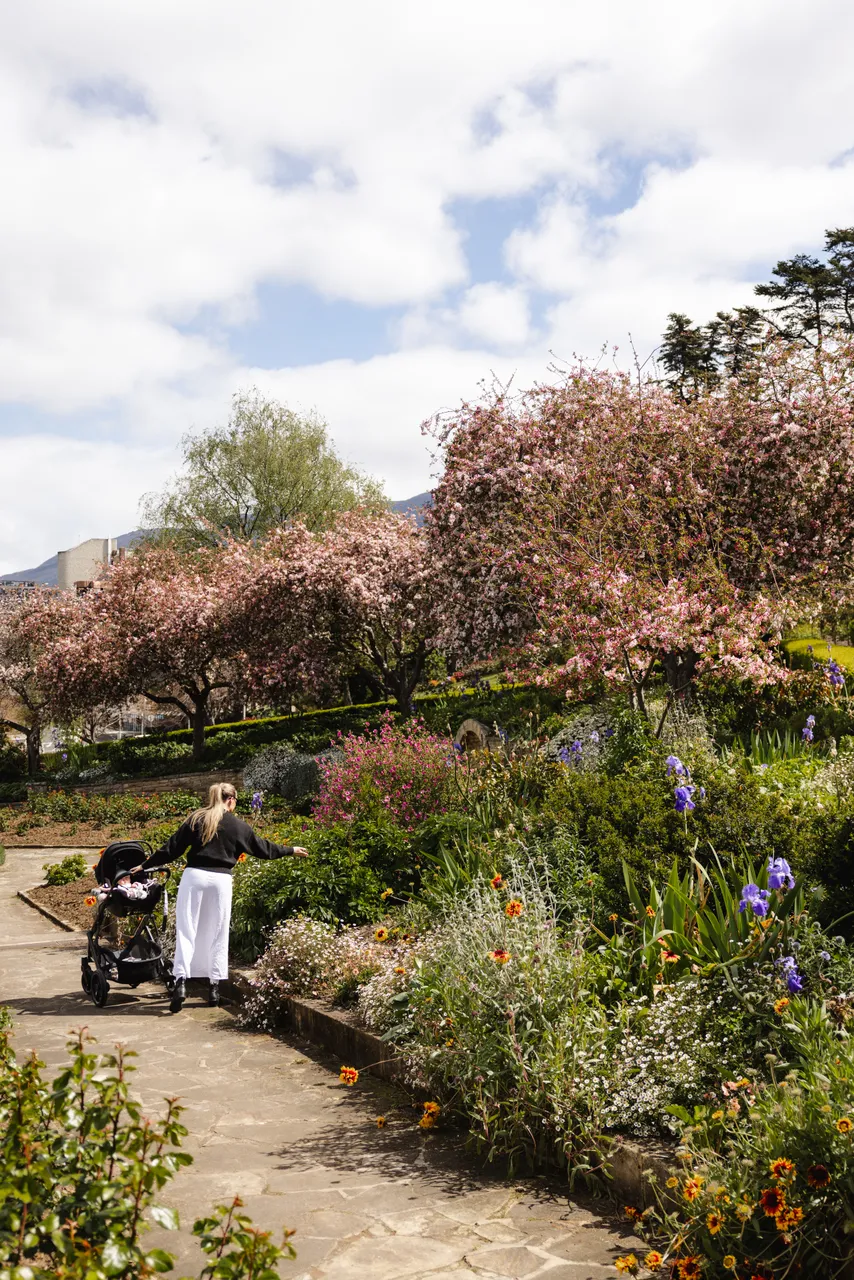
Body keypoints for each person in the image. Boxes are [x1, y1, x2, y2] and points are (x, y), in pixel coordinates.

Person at [141, 782, 308, 1012]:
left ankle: (180, 983)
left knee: (186, 930)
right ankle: (214, 990)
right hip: (221, 881)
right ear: (231, 800)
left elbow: (171, 848)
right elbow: (263, 848)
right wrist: (290, 850)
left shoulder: (196, 819)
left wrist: (144, 866)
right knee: (218, 933)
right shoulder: (238, 826)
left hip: (194, 877)